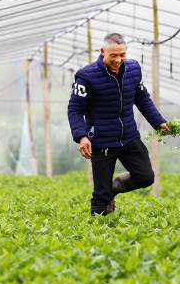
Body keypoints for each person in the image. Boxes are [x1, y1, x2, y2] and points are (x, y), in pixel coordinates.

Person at [68, 32, 171, 215]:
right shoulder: (86, 76)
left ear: (126, 51)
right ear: (103, 51)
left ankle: (115, 187)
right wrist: (82, 136)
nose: (118, 59)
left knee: (146, 177)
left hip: (129, 136)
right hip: (101, 141)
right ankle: (99, 233)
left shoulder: (133, 69)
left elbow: (142, 98)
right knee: (101, 195)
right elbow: (75, 109)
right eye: (113, 55)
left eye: (122, 55)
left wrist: (158, 122)